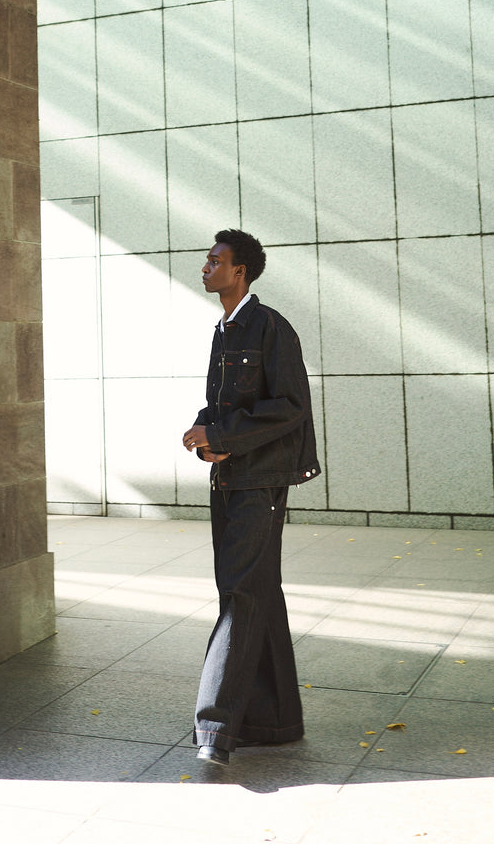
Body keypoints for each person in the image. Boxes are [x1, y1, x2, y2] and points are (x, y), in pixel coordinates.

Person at [182, 229, 321, 766]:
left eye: (215, 260)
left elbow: (289, 406)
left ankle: (215, 727)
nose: (206, 266)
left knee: (239, 594)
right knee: (258, 590)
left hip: (260, 484)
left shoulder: (270, 327)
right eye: (207, 258)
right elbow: (225, 407)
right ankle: (275, 720)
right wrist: (204, 434)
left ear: (240, 271)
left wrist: (223, 438)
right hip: (232, 480)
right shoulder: (225, 329)